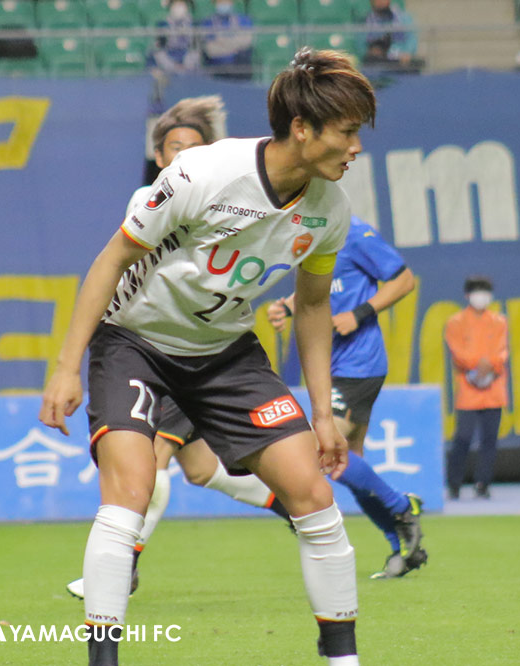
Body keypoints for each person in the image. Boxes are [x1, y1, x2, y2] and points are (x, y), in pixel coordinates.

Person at [39, 48, 375, 666]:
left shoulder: (330, 209)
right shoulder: (204, 174)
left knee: (313, 496)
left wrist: (323, 414)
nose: (356, 148)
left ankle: (342, 659)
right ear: (303, 128)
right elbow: (111, 260)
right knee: (131, 493)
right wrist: (67, 366)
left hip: (224, 354)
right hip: (135, 343)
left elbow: (312, 306)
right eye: (348, 132)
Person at [64, 95, 294, 602]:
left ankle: (123, 565)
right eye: (174, 148)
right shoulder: (145, 201)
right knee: (202, 469)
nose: (183, 156)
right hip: (146, 345)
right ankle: (293, 508)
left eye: (194, 147)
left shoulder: (227, 203)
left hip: (195, 350)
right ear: (158, 155)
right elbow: (123, 264)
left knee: (156, 458)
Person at [268, 217, 428, 579]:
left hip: (359, 364)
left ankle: (403, 507)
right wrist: (288, 307)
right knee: (351, 463)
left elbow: (404, 280)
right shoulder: (306, 233)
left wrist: (358, 314)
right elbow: (326, 288)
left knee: (325, 452)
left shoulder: (354, 233)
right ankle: (403, 544)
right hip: (330, 365)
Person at [444, 276, 508, 500]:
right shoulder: (456, 322)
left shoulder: (499, 321)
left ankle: (483, 483)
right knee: (463, 437)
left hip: (494, 387)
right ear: (467, 295)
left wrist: (490, 364)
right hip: (468, 387)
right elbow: (456, 351)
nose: (482, 297)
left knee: (490, 439)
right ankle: (454, 483)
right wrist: (476, 364)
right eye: (477, 292)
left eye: (485, 292)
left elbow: (502, 350)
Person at [200, 0, 253, 79]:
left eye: (226, 1)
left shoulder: (244, 20)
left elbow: (247, 42)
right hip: (216, 71)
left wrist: (220, 42)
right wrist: (234, 46)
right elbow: (210, 49)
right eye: (221, 2)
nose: (224, 4)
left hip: (239, 70)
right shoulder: (207, 23)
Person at [363, 0, 421, 71]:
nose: (380, 2)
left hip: (400, 62)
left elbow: (411, 38)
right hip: (379, 64)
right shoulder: (368, 20)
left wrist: (407, 52)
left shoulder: (403, 17)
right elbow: (364, 42)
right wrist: (373, 50)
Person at [147, 0, 200, 74]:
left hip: (189, 65)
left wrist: (187, 64)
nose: (179, 8)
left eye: (182, 5)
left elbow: (196, 48)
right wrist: (171, 66)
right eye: (176, 5)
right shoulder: (162, 25)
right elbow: (158, 49)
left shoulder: (194, 25)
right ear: (171, 7)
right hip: (167, 64)